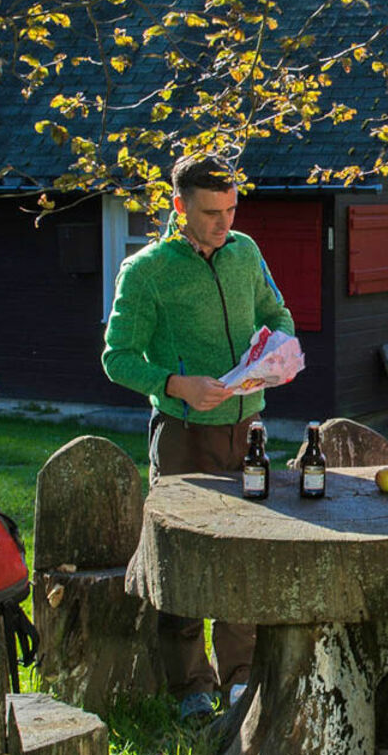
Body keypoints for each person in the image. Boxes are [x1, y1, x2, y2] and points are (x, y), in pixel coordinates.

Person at [102, 152, 295, 722]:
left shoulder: (246, 252)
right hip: (184, 432)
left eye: (232, 209)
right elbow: (116, 359)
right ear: (179, 206)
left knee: (246, 552)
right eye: (211, 212)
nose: (224, 222)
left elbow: (277, 313)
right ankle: (191, 684)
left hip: (248, 428)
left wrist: (274, 352)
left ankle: (240, 675)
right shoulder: (147, 271)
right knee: (183, 558)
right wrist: (174, 383)